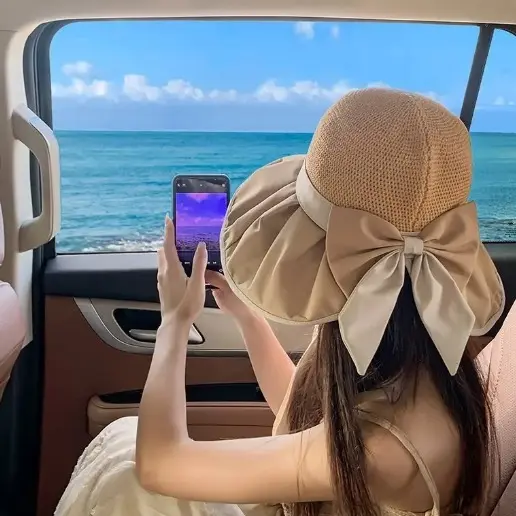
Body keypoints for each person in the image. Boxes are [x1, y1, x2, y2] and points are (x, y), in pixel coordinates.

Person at [55, 88, 506, 516]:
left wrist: (174, 321)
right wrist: (247, 318)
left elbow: (160, 466)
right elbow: (301, 418)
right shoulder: (397, 355)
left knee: (127, 475)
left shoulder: (387, 446)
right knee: (125, 436)